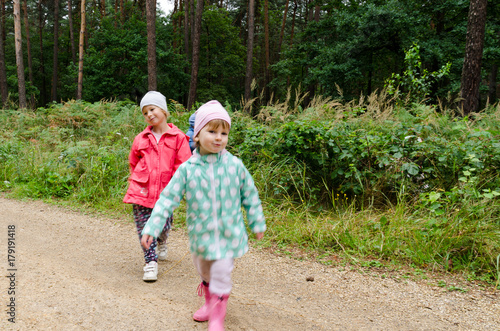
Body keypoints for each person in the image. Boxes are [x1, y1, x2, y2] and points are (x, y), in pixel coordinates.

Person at [141, 100, 266, 331]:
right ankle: (209, 303)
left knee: (221, 273)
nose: (219, 137)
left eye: (224, 132)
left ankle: (217, 317)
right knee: (205, 271)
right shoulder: (188, 169)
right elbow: (168, 199)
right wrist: (151, 227)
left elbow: (250, 194)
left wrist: (256, 221)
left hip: (229, 235)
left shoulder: (235, 166)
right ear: (197, 135)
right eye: (212, 131)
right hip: (201, 236)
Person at [123, 91, 191, 282]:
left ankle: (162, 240)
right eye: (145, 112)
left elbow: (184, 165)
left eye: (152, 109)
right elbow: (133, 161)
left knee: (164, 224)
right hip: (141, 191)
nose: (149, 114)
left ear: (163, 110)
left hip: (166, 193)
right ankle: (150, 262)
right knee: (144, 227)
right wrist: (138, 178)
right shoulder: (141, 138)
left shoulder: (178, 138)